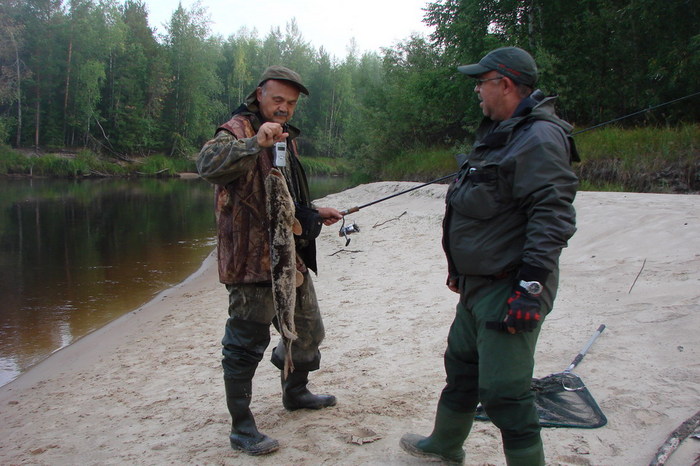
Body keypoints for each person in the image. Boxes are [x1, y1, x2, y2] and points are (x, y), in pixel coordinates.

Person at [399, 47, 579, 465]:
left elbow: (552, 215)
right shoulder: (500, 133)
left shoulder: (540, 137)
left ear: (507, 84)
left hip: (511, 285)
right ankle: (444, 445)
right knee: (461, 367)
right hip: (477, 285)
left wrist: (529, 289)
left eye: (482, 82)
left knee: (504, 392)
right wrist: (459, 270)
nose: (477, 90)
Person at [196, 65, 343, 456]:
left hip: (288, 258)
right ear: (259, 94)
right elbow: (207, 166)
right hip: (249, 262)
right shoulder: (236, 130)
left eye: (291, 103)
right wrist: (254, 144)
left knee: (309, 332)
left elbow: (284, 197)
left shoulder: (287, 140)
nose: (284, 108)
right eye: (278, 99)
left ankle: (295, 391)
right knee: (245, 343)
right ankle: (242, 428)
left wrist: (312, 213)